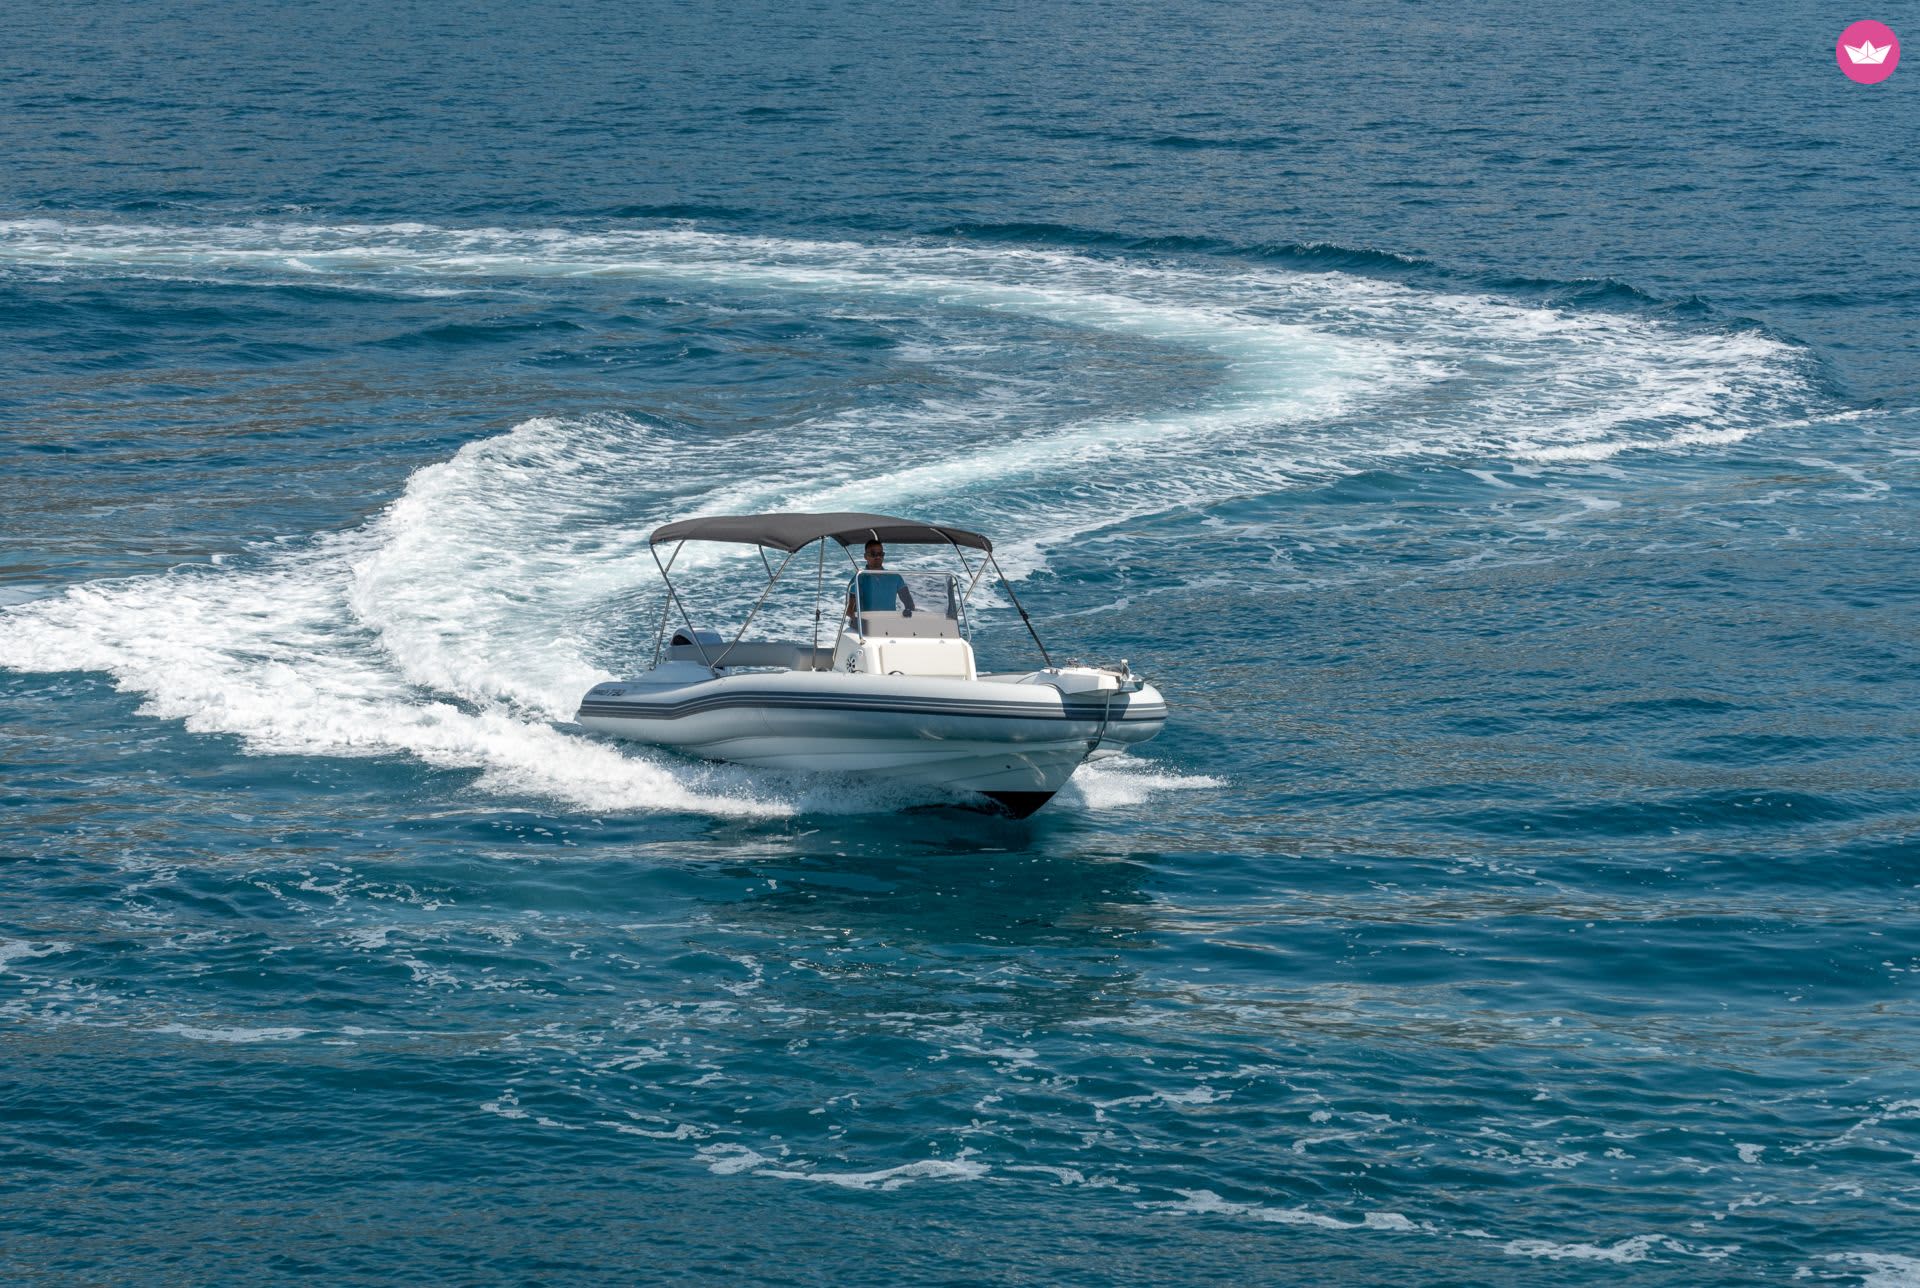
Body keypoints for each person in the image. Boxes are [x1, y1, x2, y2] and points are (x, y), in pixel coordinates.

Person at [846, 538, 915, 622]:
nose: (878, 557)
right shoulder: (857, 578)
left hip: (890, 624)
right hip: (865, 627)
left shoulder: (895, 577)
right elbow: (849, 610)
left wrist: (907, 614)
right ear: (865, 556)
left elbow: (910, 604)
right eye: (873, 554)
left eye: (880, 554)